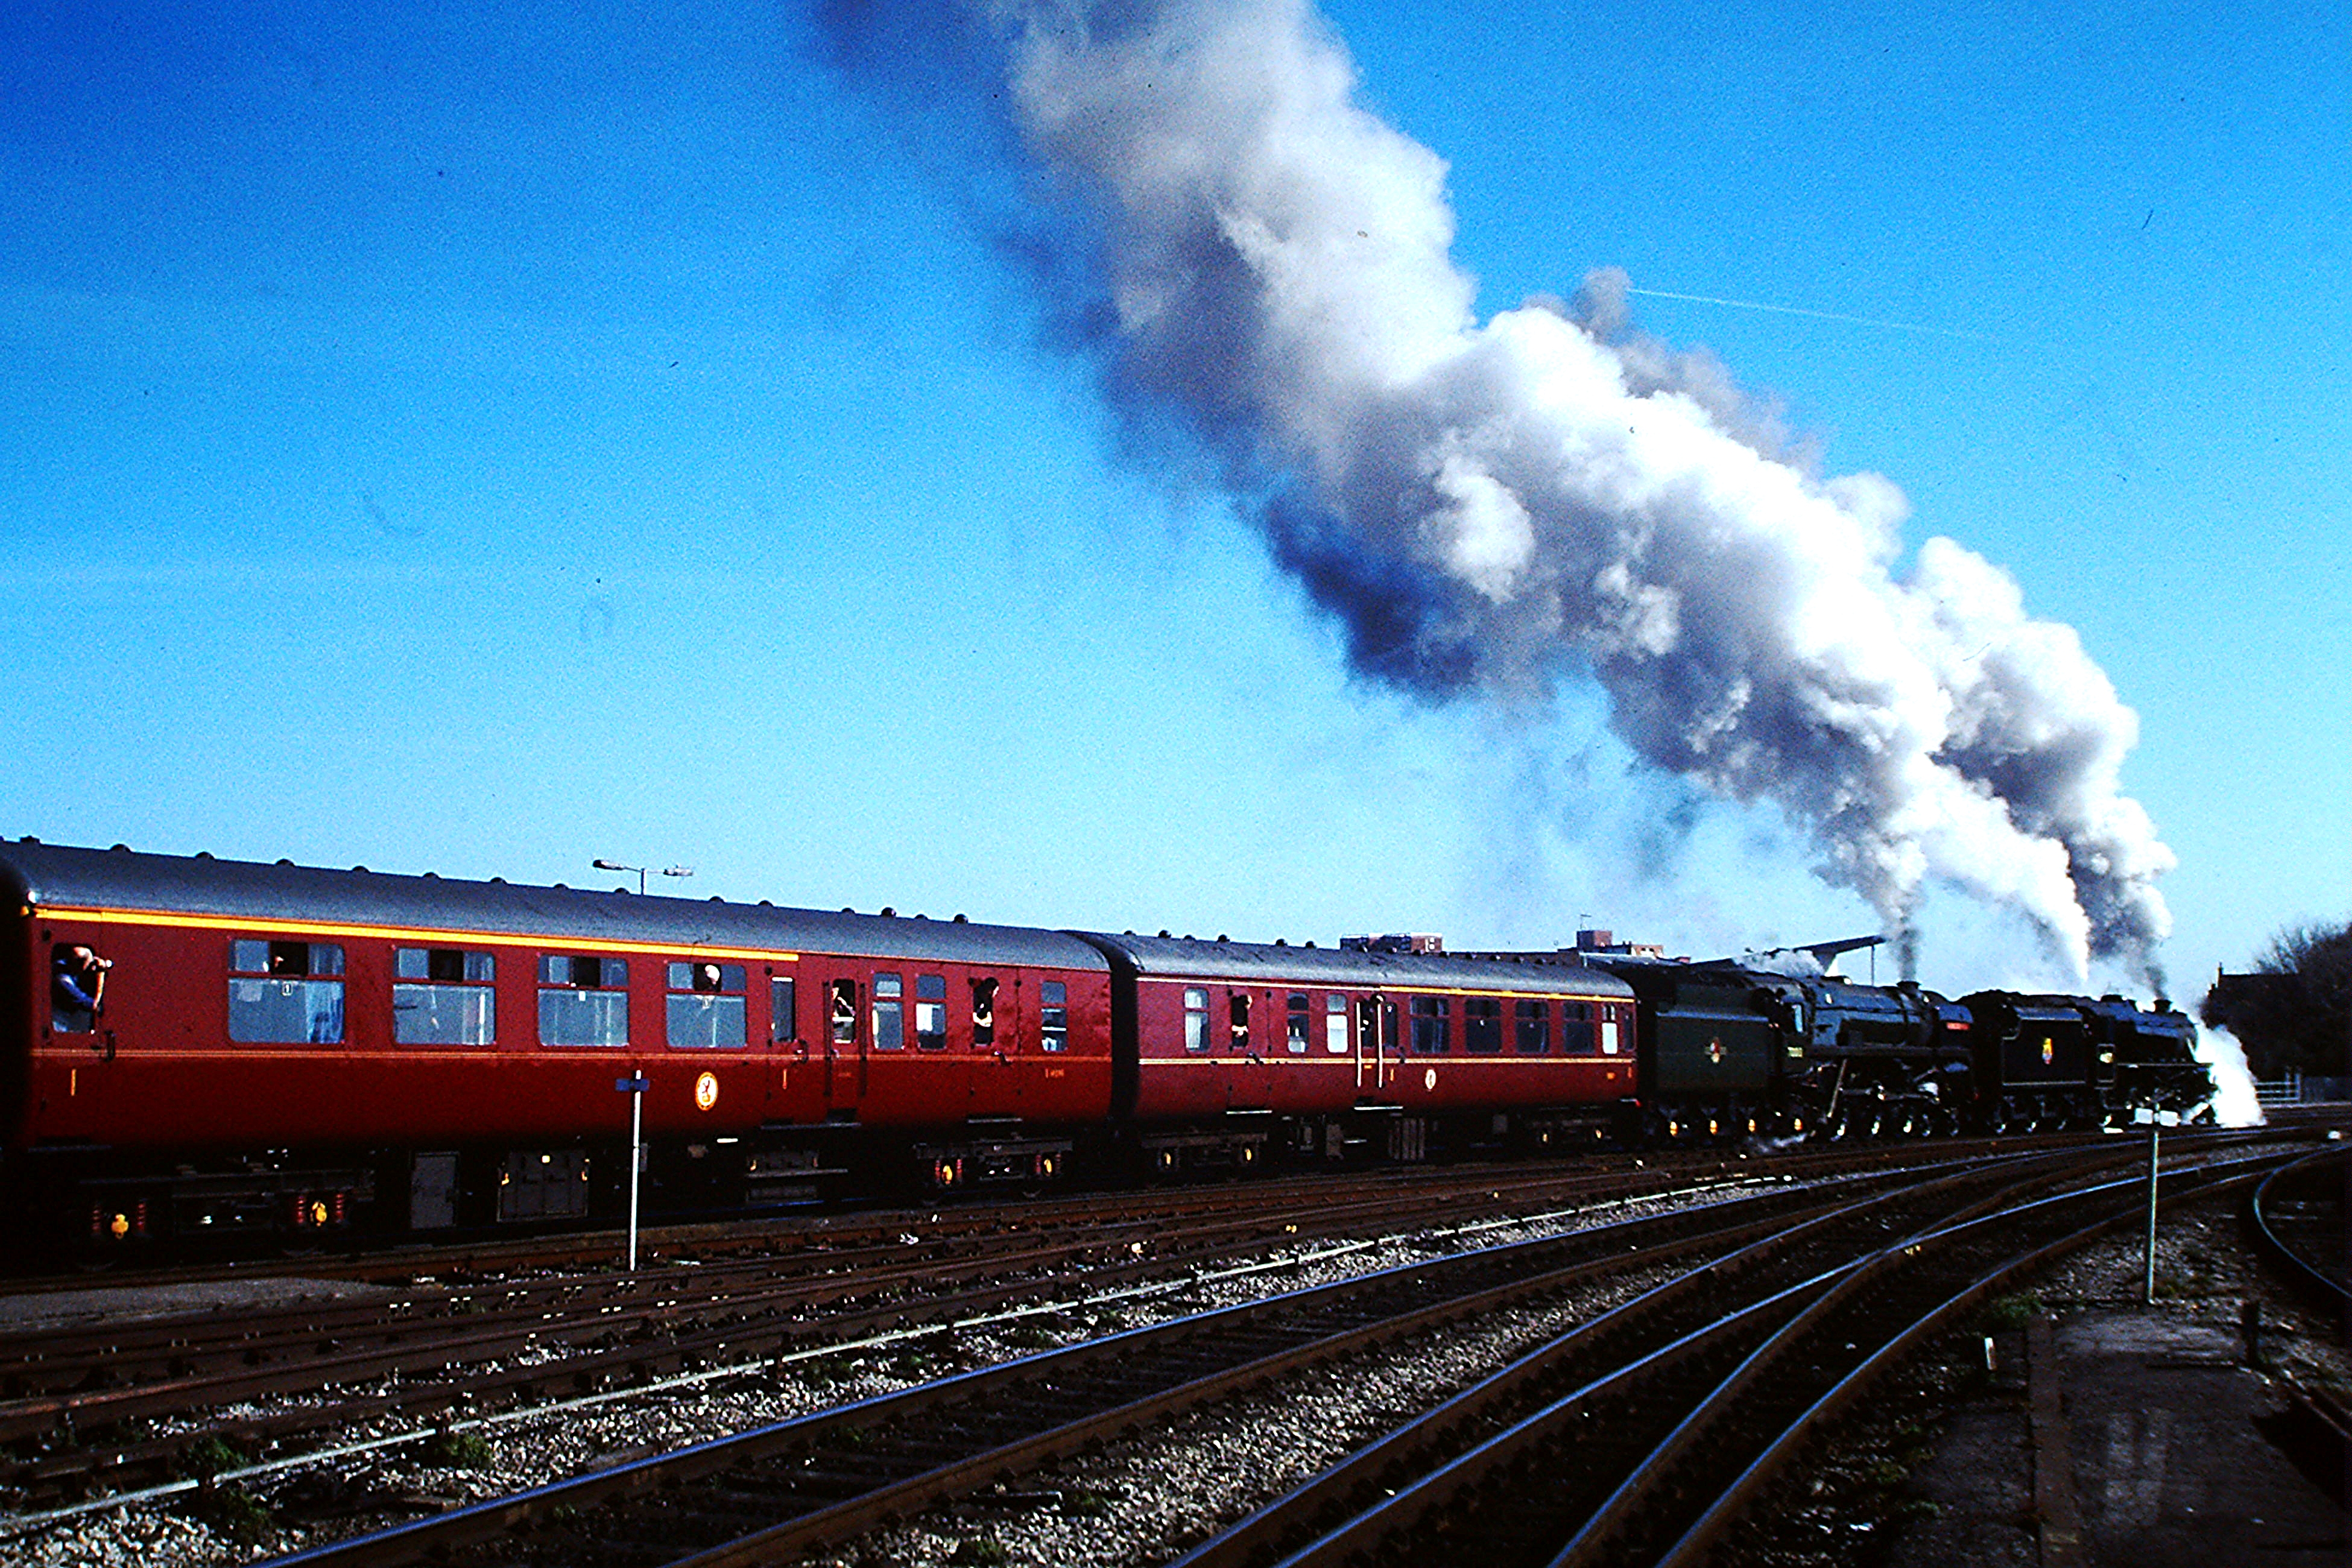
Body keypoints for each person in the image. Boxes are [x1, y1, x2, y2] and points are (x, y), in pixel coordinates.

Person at [52, 944, 110, 1031]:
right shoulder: (63, 980)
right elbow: (93, 1006)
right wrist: (101, 974)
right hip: (61, 1020)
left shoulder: (66, 965)